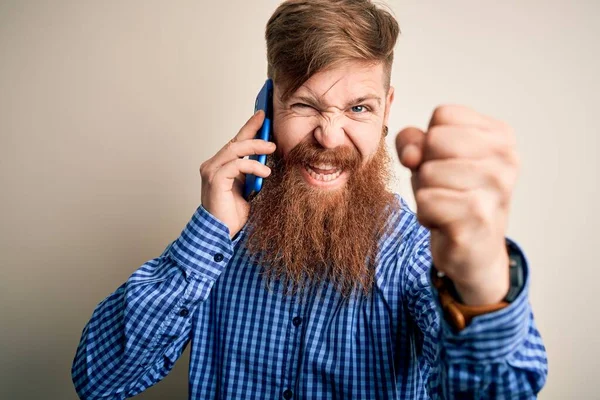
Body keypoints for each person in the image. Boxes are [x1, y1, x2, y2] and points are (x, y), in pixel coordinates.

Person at [72, 0, 548, 398]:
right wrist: (206, 234)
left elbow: (496, 390)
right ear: (266, 107)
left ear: (386, 112)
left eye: (358, 108)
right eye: (304, 104)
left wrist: (482, 281)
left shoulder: (414, 254)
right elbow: (99, 382)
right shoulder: (220, 241)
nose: (329, 136)